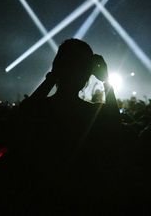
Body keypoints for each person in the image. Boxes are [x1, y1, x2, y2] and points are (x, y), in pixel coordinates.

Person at [14, 39, 121, 215]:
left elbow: (24, 114)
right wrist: (106, 80)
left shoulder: (40, 110)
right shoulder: (91, 116)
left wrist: (55, 74)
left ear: (57, 67)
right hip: (81, 201)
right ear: (88, 74)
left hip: (38, 200)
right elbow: (115, 127)